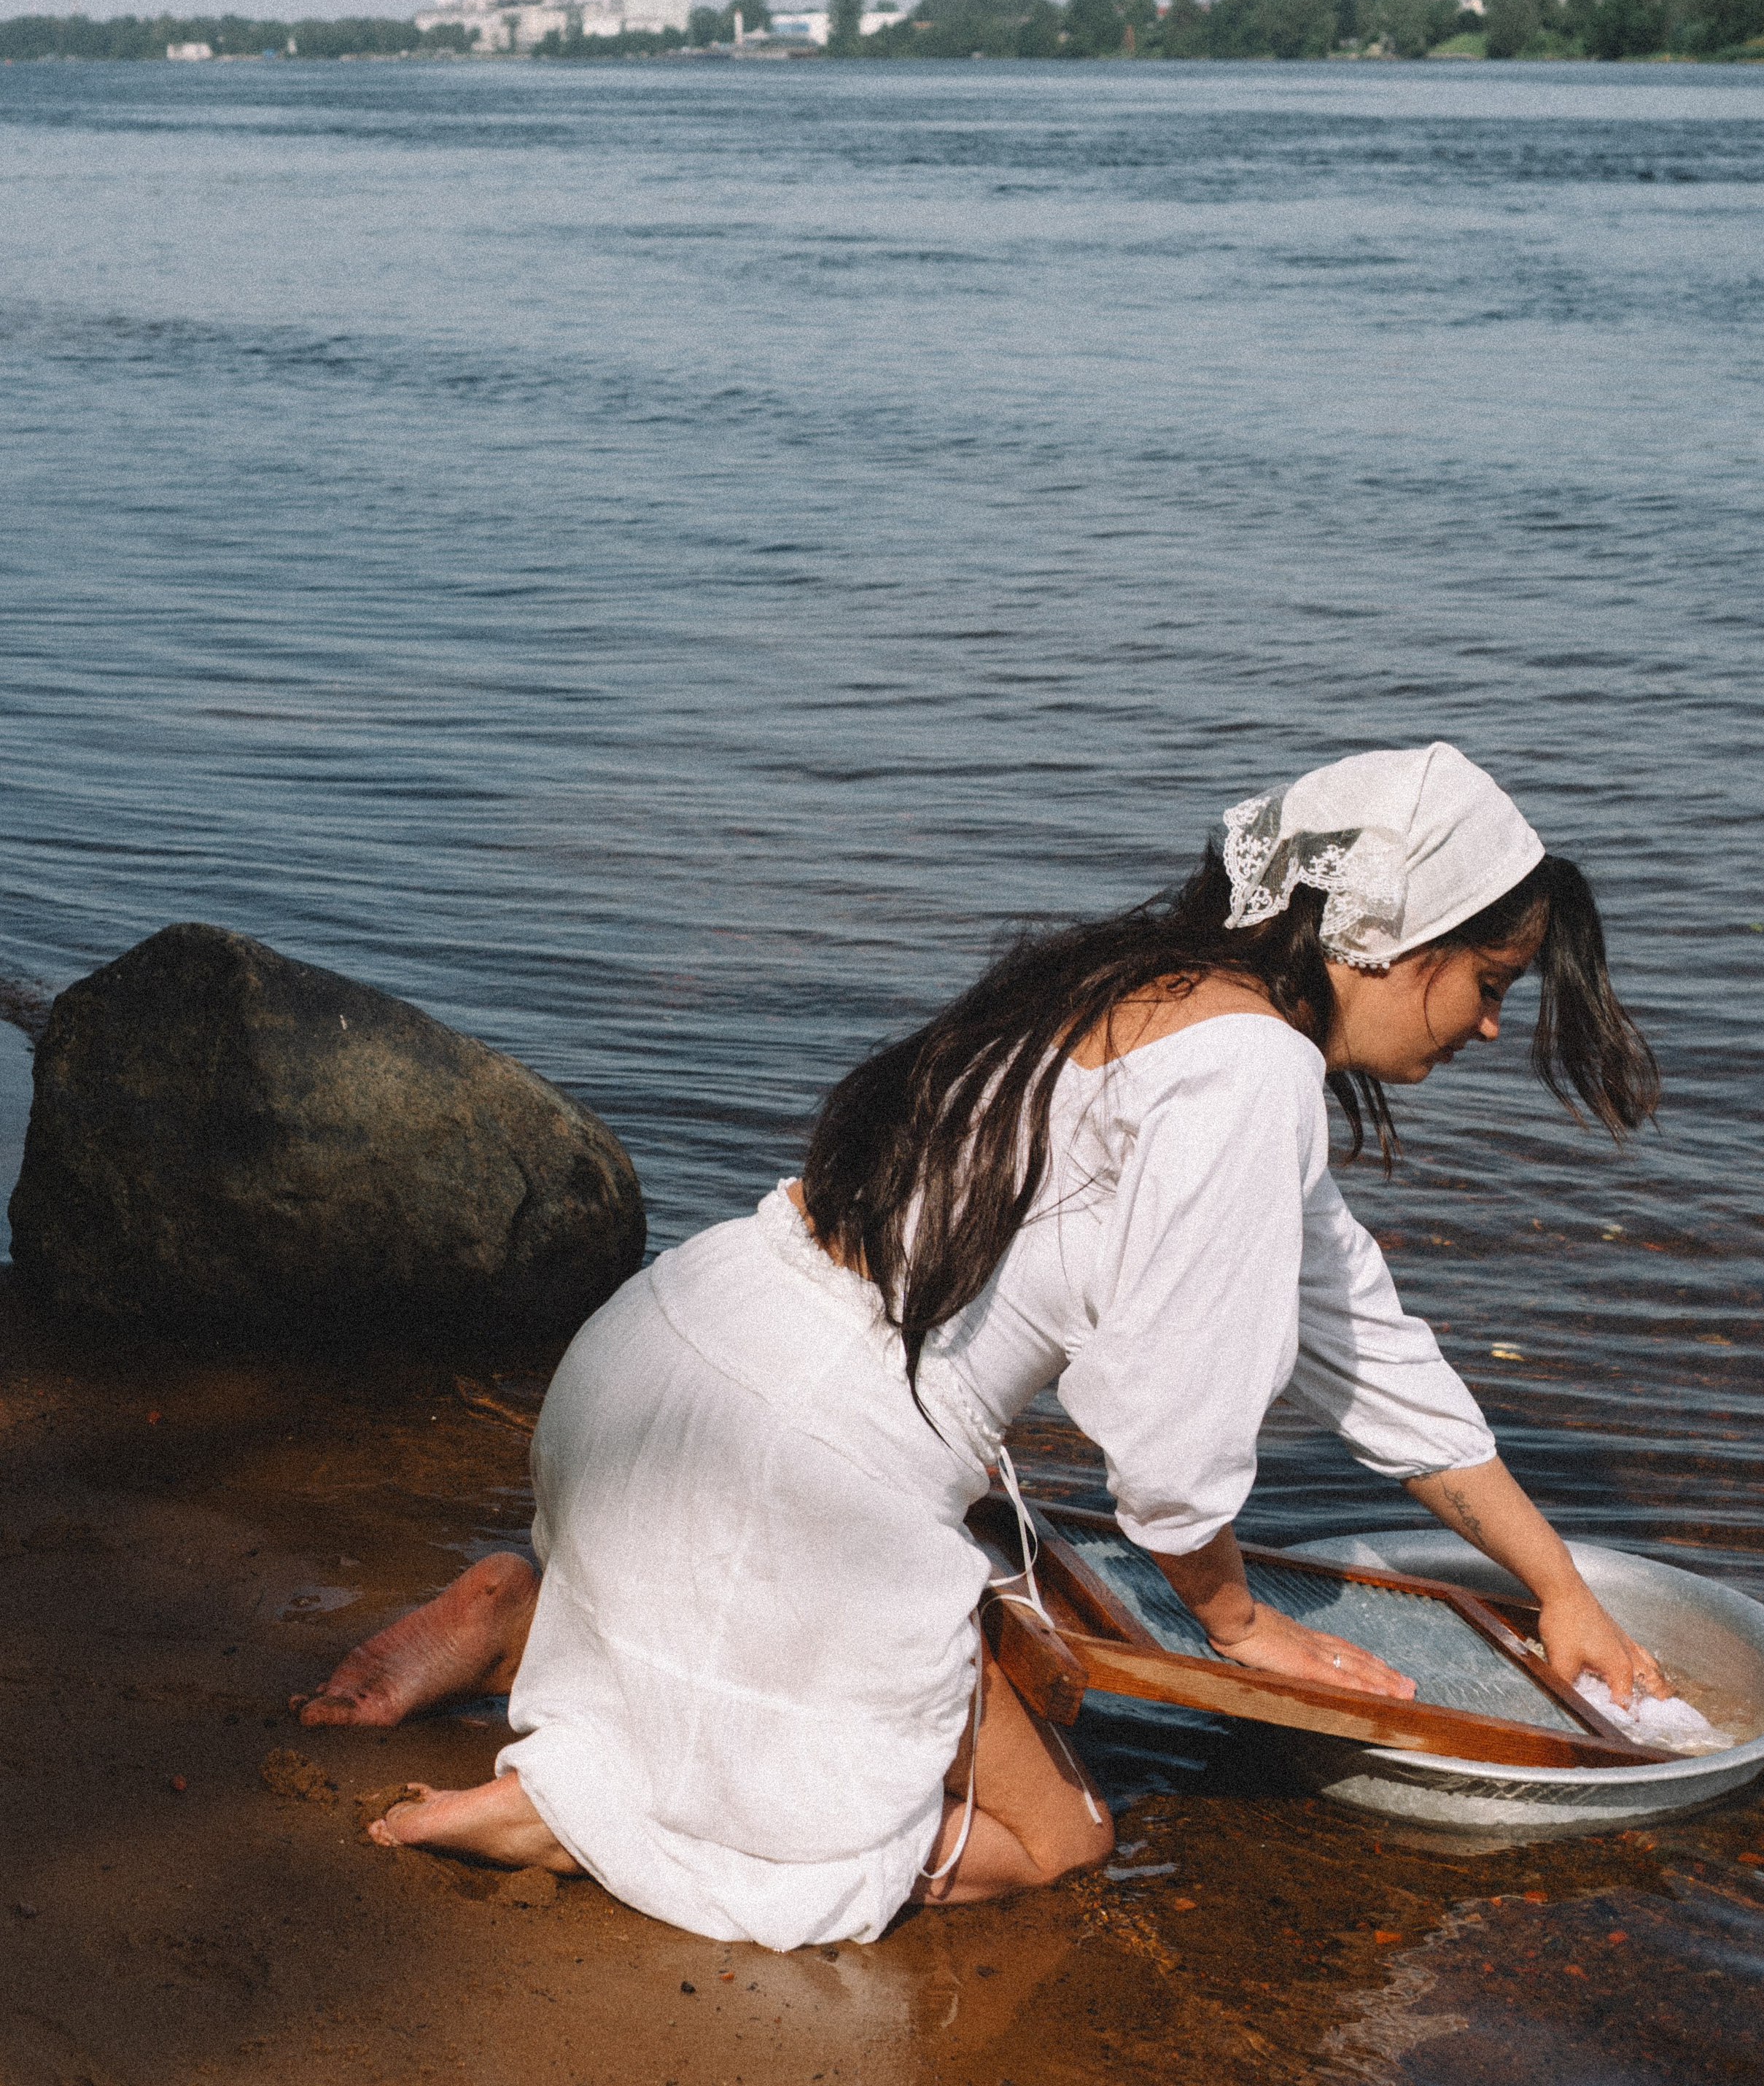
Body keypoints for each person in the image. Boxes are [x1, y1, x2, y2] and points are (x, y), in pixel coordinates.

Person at [300, 742, 1663, 1950]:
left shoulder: (1135, 988)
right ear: (1388, 938)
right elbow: (1170, 1431)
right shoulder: (1255, 1076)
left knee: (969, 1668)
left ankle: (534, 1601)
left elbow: (1365, 1343)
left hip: (647, 1371)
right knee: (1058, 1844)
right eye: (1488, 982)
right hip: (797, 1471)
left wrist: (1554, 1586)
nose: (1490, 1024)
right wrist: (1239, 1624)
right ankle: (575, 1813)